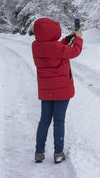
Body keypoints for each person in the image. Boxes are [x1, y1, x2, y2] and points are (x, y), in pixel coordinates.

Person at [31, 18, 83, 163]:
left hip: (46, 91)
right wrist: (78, 38)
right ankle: (58, 153)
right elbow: (74, 51)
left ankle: (39, 152)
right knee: (59, 121)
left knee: (44, 121)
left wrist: (68, 38)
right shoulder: (56, 48)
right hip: (61, 92)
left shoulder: (36, 45)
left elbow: (55, 48)